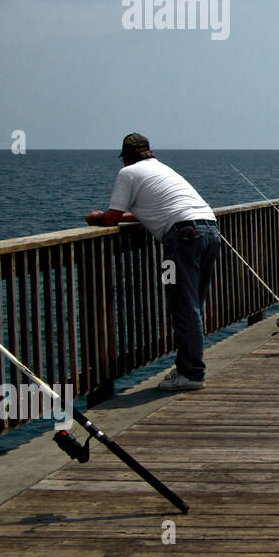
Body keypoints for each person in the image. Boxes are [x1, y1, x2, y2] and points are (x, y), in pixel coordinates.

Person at [85, 133, 218, 392]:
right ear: (149, 152)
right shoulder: (162, 169)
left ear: (125, 157)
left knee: (183, 305)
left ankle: (191, 373)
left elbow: (112, 218)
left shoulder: (128, 173)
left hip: (182, 237)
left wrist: (97, 217)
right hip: (209, 230)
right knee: (193, 304)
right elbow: (156, 209)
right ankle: (186, 366)